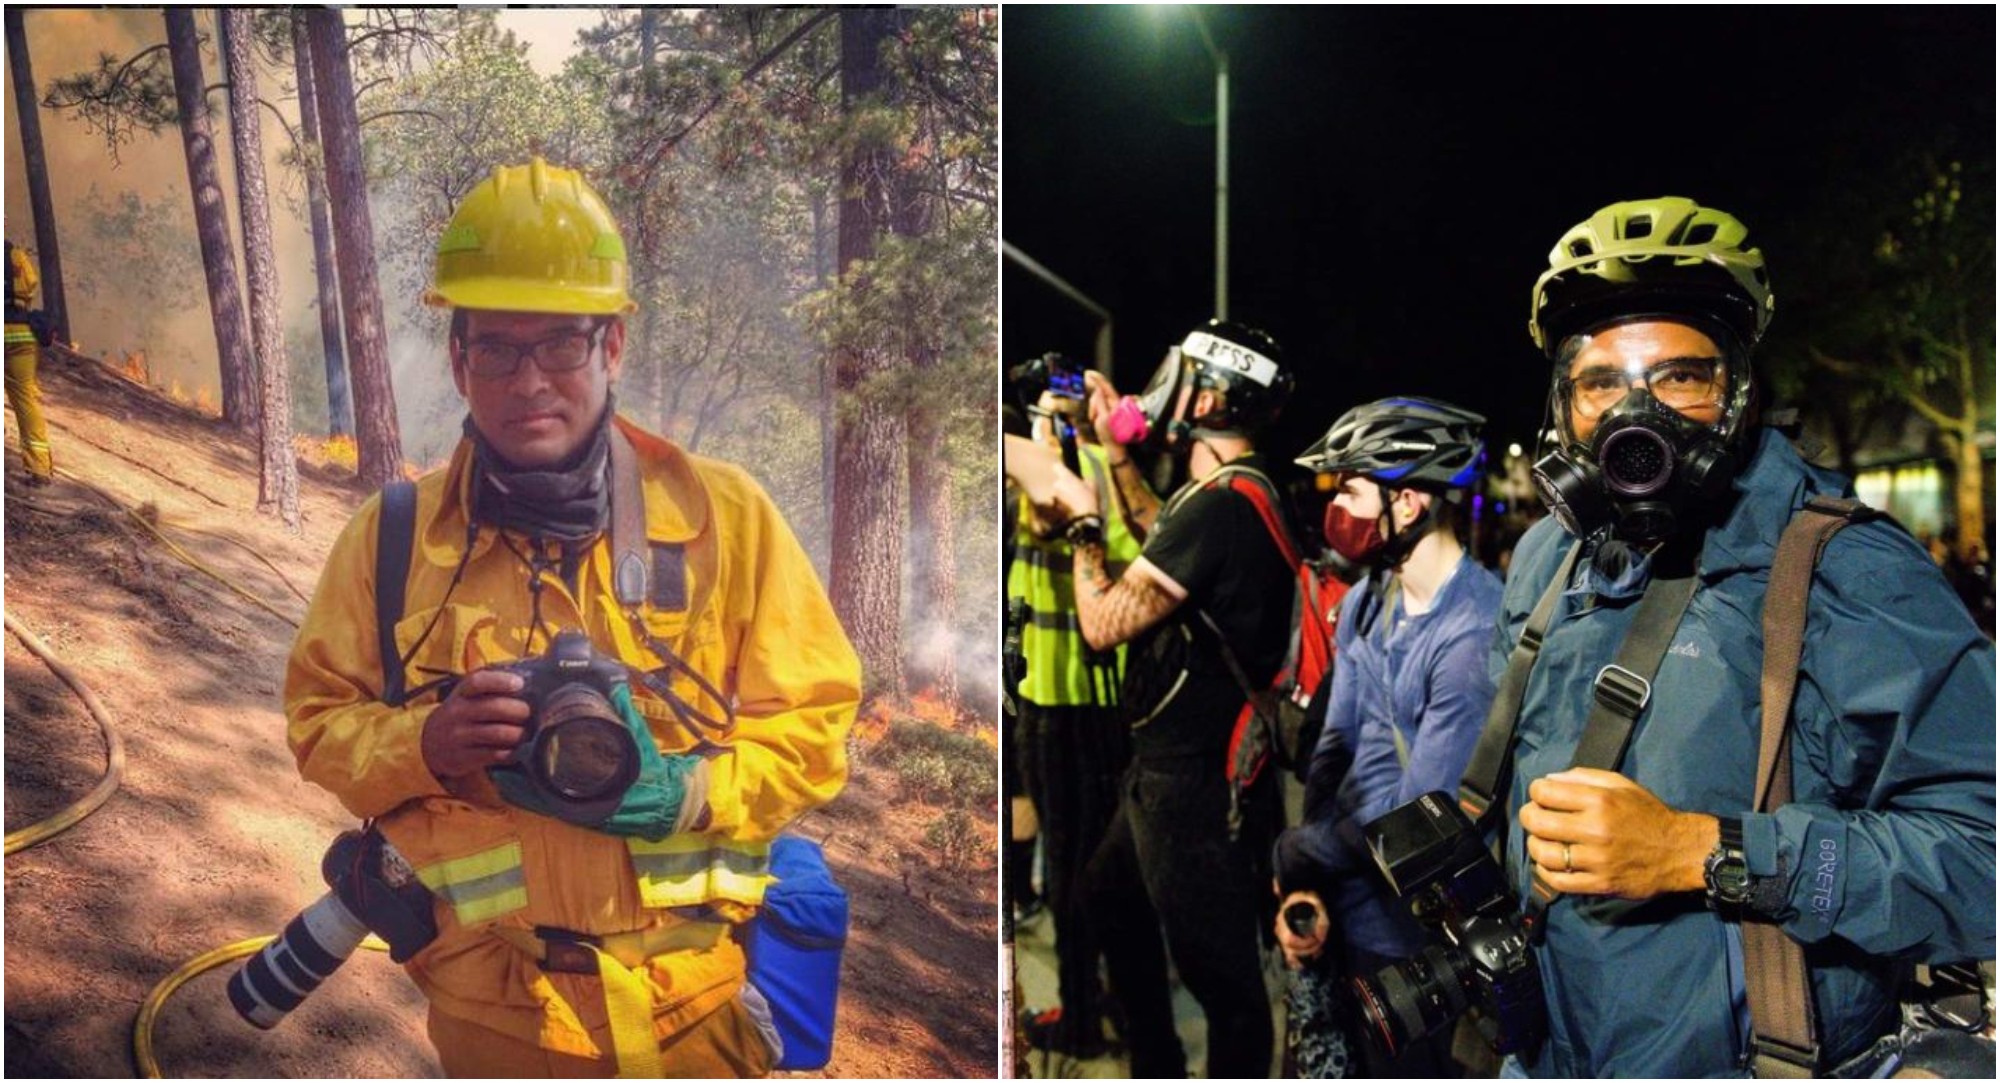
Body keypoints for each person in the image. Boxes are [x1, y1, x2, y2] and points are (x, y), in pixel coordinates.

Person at [284, 158, 860, 1078]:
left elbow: (816, 724)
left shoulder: (726, 521)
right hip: (496, 1013)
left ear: (612, 348)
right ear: (460, 358)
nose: (531, 381)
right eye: (500, 350)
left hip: (699, 1008)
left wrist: (689, 791)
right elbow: (319, 725)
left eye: (561, 344)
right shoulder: (391, 540)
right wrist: (428, 743)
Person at [1493, 196, 1994, 1076]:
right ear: (1562, 407)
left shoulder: (1851, 569)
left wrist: (1707, 853)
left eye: (1681, 376)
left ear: (1739, 394)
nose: (1633, 414)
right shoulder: (1547, 561)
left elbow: (1984, 852)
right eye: (1602, 382)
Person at [1035, 319, 1297, 1079]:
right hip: (1175, 769)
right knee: (1105, 897)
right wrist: (1117, 455)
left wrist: (1082, 525)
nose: (1161, 385)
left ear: (1211, 398)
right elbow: (1162, 525)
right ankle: (1158, 1062)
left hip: (1195, 780)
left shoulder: (1218, 505)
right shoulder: (1233, 489)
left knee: (1227, 986)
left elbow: (1102, 623)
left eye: (1179, 372)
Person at [1271, 397, 1501, 1077]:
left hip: (1410, 940)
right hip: (1340, 903)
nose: (1336, 506)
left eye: (1351, 488)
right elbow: (1333, 745)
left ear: (1408, 504)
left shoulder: (1471, 633)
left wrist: (1294, 848)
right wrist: (1305, 880)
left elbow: (1415, 822)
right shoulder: (1373, 596)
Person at [1005, 377, 1140, 1059]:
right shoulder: (1106, 469)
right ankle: (1112, 998)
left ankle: (1082, 1015)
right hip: (1103, 699)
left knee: (1069, 867)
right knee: (1101, 860)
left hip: (1058, 700)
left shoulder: (1062, 471)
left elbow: (1037, 492)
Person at [5, 239, 54, 485]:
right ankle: (39, 469)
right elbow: (30, 287)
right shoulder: (18, 257)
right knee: (26, 400)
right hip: (23, 334)